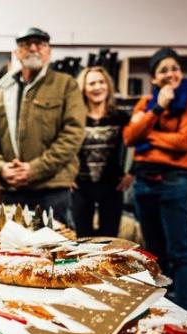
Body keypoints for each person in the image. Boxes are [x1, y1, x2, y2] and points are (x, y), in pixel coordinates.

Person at [123, 47, 187, 311]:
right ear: (154, 78)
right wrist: (159, 107)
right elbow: (128, 138)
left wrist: (147, 137)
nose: (171, 73)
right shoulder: (148, 102)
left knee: (179, 251)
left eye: (175, 68)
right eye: (164, 70)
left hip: (175, 182)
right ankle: (159, 307)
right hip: (144, 183)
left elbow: (184, 142)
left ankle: (184, 311)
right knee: (154, 250)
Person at [0, 27, 86, 225]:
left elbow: (73, 134)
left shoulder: (66, 85)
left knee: (55, 251)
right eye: (26, 44)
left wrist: (35, 169)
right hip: (11, 191)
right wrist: (1, 168)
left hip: (51, 189)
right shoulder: (2, 92)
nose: (33, 48)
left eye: (40, 44)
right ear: (17, 52)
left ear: (49, 51)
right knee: (12, 252)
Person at [72, 66, 130, 237]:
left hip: (112, 186)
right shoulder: (74, 117)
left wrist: (132, 173)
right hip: (80, 186)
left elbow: (138, 145)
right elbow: (62, 145)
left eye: (101, 82)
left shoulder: (121, 117)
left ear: (108, 86)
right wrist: (66, 173)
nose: (97, 87)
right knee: (82, 239)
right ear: (83, 88)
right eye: (91, 83)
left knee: (110, 240)